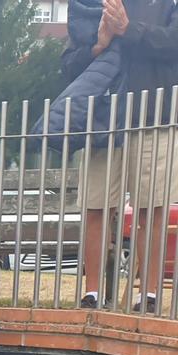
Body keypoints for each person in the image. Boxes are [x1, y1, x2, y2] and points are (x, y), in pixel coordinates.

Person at [64, 0, 177, 312]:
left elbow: (173, 44)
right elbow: (69, 65)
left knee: (150, 209)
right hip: (102, 123)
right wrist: (98, 46)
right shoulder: (91, 5)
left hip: (155, 117)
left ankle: (149, 296)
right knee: (96, 207)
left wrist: (129, 29)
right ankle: (93, 293)